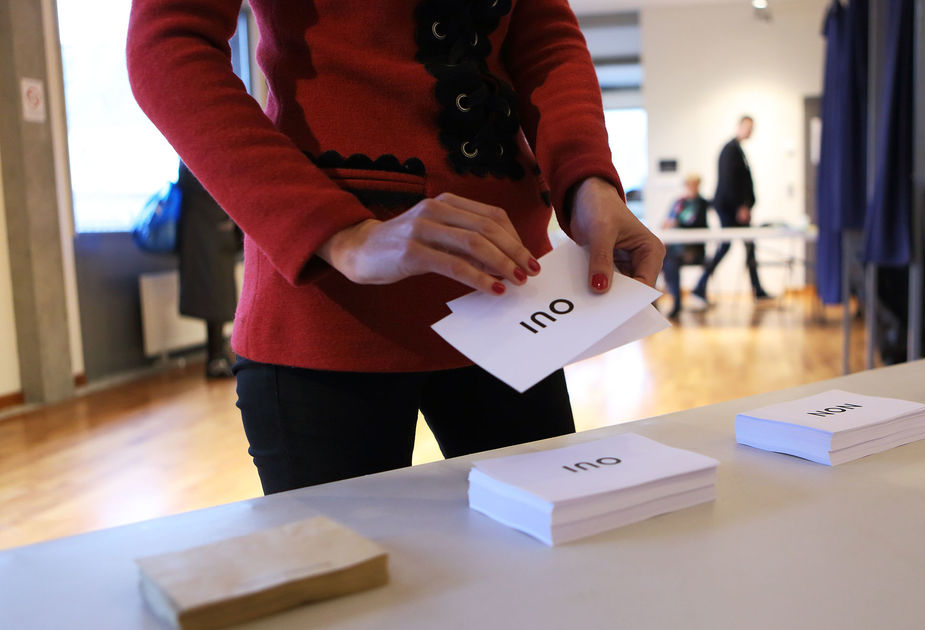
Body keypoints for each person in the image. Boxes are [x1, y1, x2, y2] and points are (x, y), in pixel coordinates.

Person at [127, 0, 665, 494]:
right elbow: (169, 42)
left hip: (512, 299)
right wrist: (337, 230)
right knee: (353, 591)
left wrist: (586, 178)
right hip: (334, 309)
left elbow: (542, 34)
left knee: (543, 573)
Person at [692, 115, 770, 304]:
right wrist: (741, 207)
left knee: (748, 245)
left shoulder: (737, 150)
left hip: (734, 208)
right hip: (729, 208)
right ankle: (699, 287)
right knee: (727, 246)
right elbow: (729, 183)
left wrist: (747, 204)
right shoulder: (730, 150)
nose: (750, 131)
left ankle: (757, 289)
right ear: (739, 127)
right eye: (747, 127)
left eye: (752, 128)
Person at [176, 162, 242, 378]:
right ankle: (215, 358)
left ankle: (218, 354)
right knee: (213, 299)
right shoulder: (192, 161)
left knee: (219, 299)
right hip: (205, 236)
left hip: (216, 235)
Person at [660, 174, 710, 319]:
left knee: (670, 262)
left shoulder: (702, 203)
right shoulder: (678, 202)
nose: (691, 187)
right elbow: (666, 222)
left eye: (694, 184)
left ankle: (676, 302)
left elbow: (698, 225)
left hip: (694, 249)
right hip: (675, 249)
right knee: (664, 261)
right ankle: (670, 300)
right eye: (689, 184)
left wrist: (677, 224)